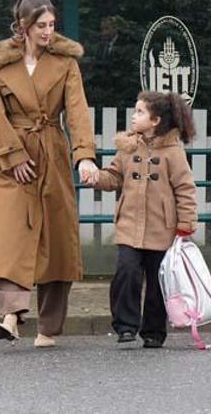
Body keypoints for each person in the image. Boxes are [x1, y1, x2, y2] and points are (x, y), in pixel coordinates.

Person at [0, 0, 98, 348]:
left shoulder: (66, 63)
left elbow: (77, 112)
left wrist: (84, 157)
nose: (48, 32)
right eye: (41, 25)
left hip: (51, 152)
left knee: (56, 241)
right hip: (10, 158)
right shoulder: (1, 65)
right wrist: (13, 157)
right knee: (8, 236)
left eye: (52, 25)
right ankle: (12, 313)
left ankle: (48, 328)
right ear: (23, 27)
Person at [85, 91, 198, 348]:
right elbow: (114, 177)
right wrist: (96, 177)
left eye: (139, 112)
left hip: (163, 228)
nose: (133, 117)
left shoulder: (173, 152)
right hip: (129, 225)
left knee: (158, 283)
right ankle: (125, 326)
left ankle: (154, 332)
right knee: (126, 272)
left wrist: (186, 224)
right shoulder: (128, 147)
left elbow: (185, 189)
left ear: (155, 120)